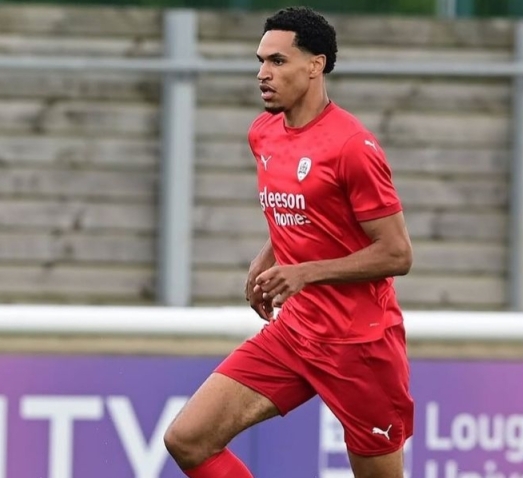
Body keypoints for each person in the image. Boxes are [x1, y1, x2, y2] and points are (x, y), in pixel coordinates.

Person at [164, 6, 414, 478]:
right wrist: (268, 257)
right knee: (188, 440)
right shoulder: (264, 134)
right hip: (295, 334)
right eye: (260, 61)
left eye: (277, 61)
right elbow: (302, 212)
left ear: (314, 65)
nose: (262, 73)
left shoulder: (351, 147)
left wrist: (304, 273)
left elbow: (397, 253)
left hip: (359, 346)